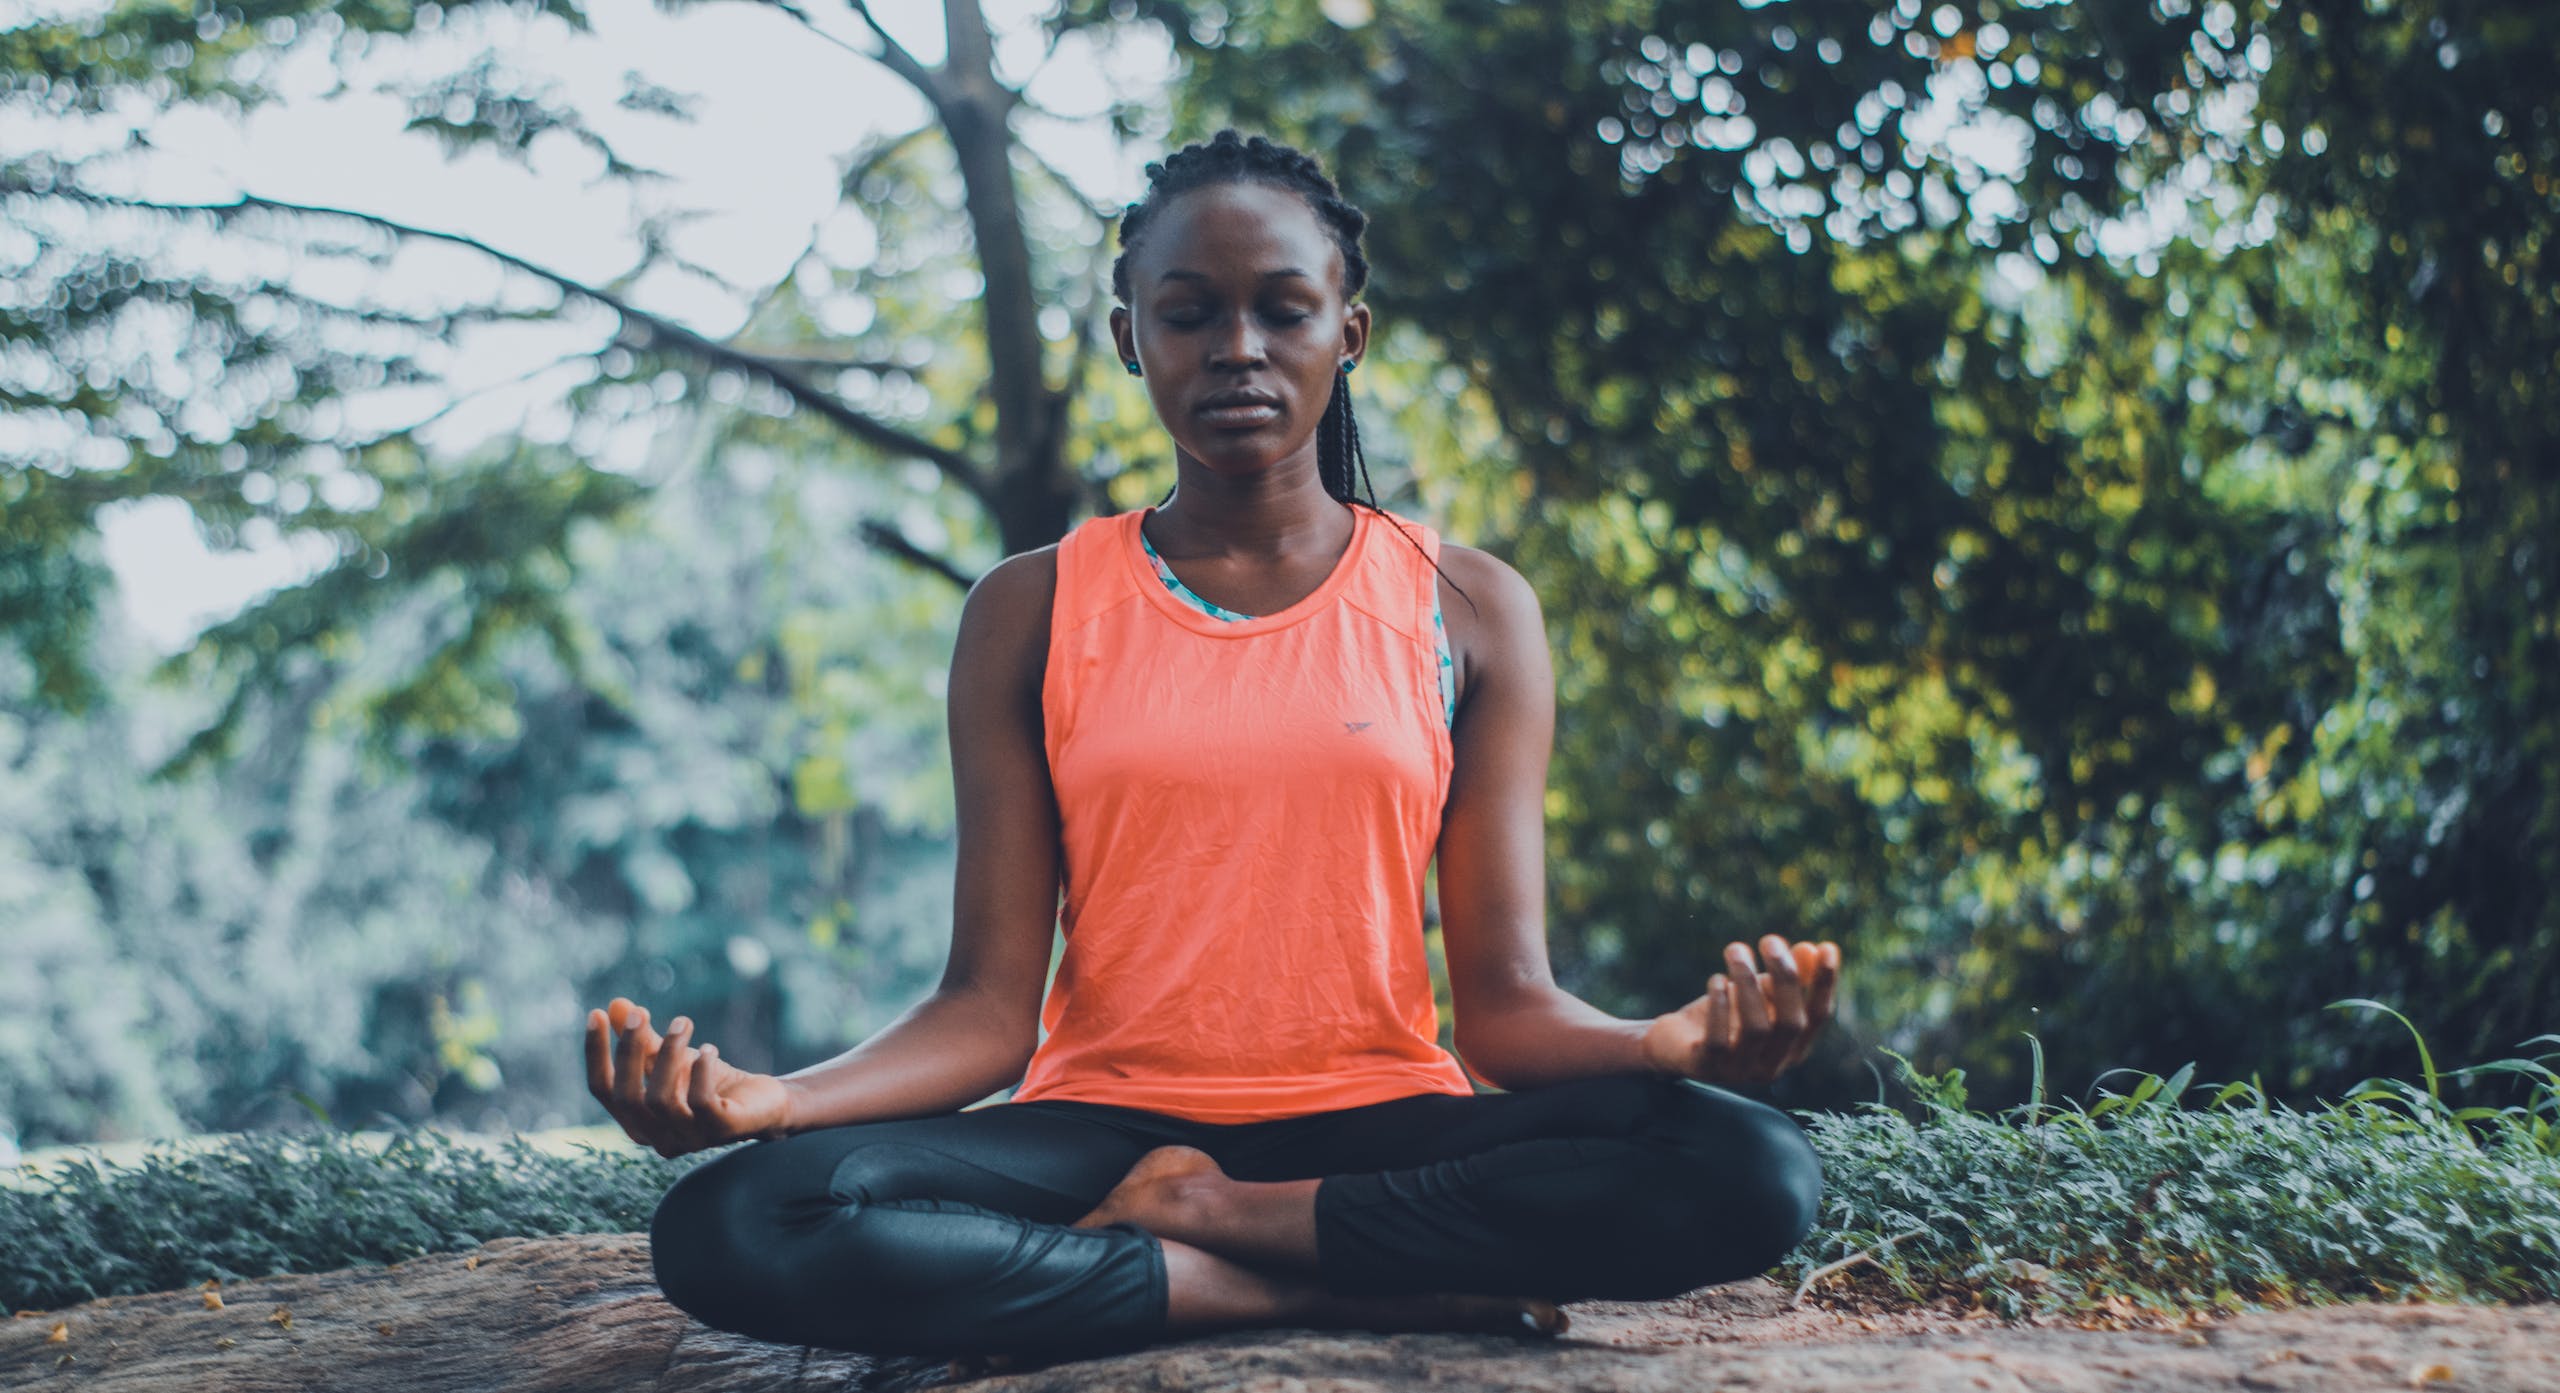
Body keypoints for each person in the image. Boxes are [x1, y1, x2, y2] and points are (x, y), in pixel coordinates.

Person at [583, 129, 1841, 1368]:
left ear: (1347, 330)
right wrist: (776, 1100)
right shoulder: (1032, 607)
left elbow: (1506, 1012)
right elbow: (981, 1010)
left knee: (1747, 1166)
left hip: (1378, 1125)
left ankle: (1215, 1224)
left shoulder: (1464, 605)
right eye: (1189, 314)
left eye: (1283, 310)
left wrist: (1663, 1046)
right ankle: (1274, 1292)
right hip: (1098, 1131)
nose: (1237, 347)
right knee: (739, 1221)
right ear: (1132, 335)